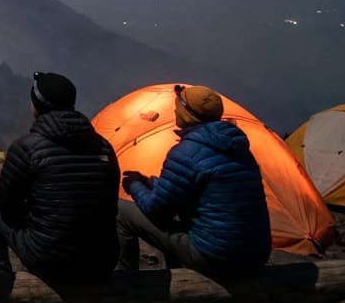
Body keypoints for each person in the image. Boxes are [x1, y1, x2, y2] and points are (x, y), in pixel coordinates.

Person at [116, 84, 271, 275]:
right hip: (257, 254)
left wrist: (134, 185)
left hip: (218, 257)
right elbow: (194, 191)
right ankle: (177, 271)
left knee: (120, 211)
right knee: (176, 215)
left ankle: (125, 280)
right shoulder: (239, 149)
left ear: (186, 114)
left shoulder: (188, 152)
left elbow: (156, 210)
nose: (174, 110)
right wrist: (152, 183)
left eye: (178, 107)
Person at [0, 72, 120, 278]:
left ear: (37, 105)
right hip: (102, 259)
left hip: (51, 259)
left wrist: (32, 217)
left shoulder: (27, 147)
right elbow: (109, 205)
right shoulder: (104, 146)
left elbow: (5, 204)